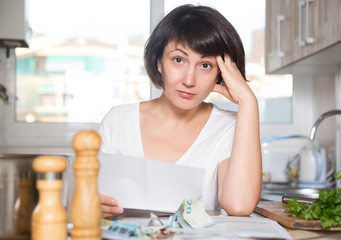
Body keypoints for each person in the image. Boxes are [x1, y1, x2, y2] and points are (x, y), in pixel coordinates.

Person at [98, 4, 262, 218]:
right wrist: (94, 204)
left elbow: (239, 206)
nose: (189, 80)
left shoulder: (229, 127)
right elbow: (90, 199)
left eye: (205, 65)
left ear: (221, 73)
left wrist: (248, 101)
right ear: (159, 62)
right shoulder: (118, 121)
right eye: (178, 60)